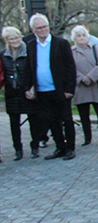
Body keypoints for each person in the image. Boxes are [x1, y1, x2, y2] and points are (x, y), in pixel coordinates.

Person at [25, 13, 76, 161]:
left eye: (44, 27)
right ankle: (60, 146)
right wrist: (29, 88)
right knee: (51, 120)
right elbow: (28, 68)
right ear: (33, 29)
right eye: (39, 28)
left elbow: (70, 67)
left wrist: (69, 89)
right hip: (42, 91)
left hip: (60, 90)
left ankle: (70, 148)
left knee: (66, 119)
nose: (42, 30)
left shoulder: (61, 43)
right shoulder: (31, 46)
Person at [2, 26, 38, 160]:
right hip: (12, 93)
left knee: (34, 120)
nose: (15, 40)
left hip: (27, 90)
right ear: (7, 40)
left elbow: (35, 71)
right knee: (14, 123)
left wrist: (33, 88)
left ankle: (35, 146)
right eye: (12, 38)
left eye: (17, 37)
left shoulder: (29, 51)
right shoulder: (3, 55)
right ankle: (18, 149)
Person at [71, 25, 98, 146]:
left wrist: (91, 77)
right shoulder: (71, 52)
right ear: (74, 38)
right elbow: (70, 68)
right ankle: (87, 138)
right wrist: (82, 78)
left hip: (96, 85)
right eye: (79, 36)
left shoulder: (97, 48)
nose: (81, 38)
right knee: (83, 114)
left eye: (84, 35)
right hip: (81, 87)